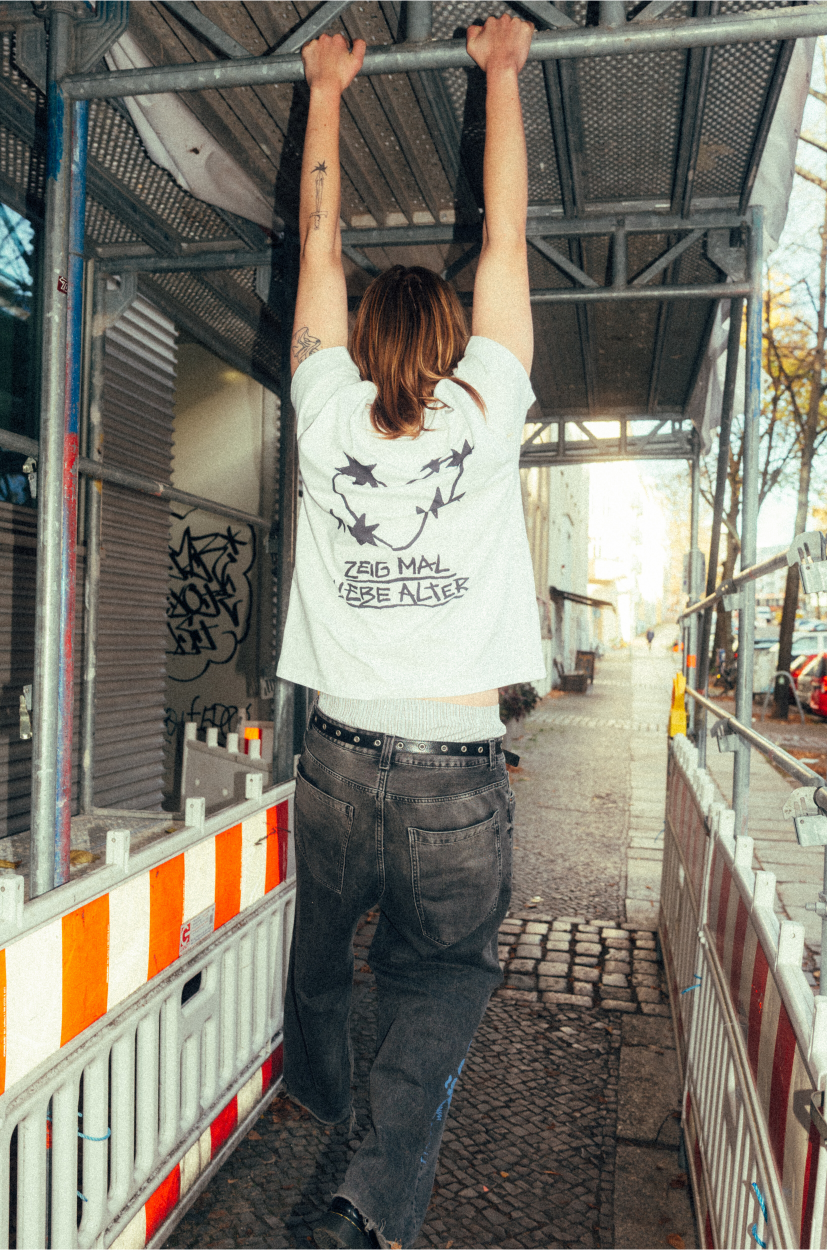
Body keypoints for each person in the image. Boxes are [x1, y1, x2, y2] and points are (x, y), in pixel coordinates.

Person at [276, 16, 542, 1250]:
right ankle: (361, 1197)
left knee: (323, 948)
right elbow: (504, 235)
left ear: (364, 341)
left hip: (333, 758)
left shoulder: (322, 402)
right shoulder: (486, 412)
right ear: (447, 343)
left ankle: (319, 1076)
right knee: (437, 983)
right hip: (452, 771)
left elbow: (317, 234)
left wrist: (326, 89)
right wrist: (499, 74)